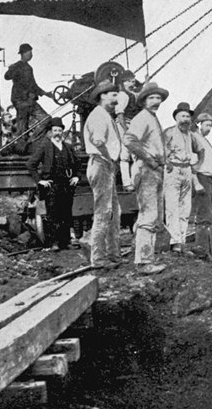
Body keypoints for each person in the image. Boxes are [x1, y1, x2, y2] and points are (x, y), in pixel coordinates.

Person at [123, 82, 168, 275]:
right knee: (148, 215)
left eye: (158, 98)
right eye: (151, 98)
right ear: (143, 100)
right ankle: (143, 262)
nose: (156, 101)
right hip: (147, 169)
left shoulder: (152, 118)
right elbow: (129, 140)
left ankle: (144, 254)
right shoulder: (142, 118)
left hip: (156, 169)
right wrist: (149, 159)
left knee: (153, 215)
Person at [82, 81, 123, 270]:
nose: (116, 99)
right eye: (113, 95)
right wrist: (109, 159)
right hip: (101, 163)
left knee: (114, 212)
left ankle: (114, 254)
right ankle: (98, 258)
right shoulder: (99, 116)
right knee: (104, 212)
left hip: (105, 164)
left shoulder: (106, 116)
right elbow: (98, 141)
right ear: (102, 96)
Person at [26, 117, 80, 251]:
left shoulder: (68, 147)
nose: (57, 133)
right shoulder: (45, 146)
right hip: (52, 186)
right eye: (55, 130)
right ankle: (53, 243)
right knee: (52, 215)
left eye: (59, 130)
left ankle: (65, 241)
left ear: (62, 131)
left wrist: (76, 177)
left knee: (66, 214)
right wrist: (40, 180)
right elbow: (31, 164)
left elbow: (78, 163)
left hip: (67, 185)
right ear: (50, 131)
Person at [163, 103, 200, 254]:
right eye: (182, 116)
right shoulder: (169, 132)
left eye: (187, 116)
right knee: (172, 207)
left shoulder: (191, 135)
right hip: (173, 169)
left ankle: (182, 241)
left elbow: (200, 150)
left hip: (187, 169)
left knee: (185, 208)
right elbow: (161, 150)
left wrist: (196, 166)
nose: (185, 119)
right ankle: (174, 242)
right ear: (176, 118)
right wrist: (167, 163)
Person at [4, 43, 54, 154]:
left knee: (46, 119)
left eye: (31, 52)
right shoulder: (17, 66)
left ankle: (29, 143)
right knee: (22, 131)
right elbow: (7, 76)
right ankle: (21, 148)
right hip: (21, 102)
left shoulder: (29, 68)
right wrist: (12, 69)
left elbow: (33, 86)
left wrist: (46, 93)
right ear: (23, 53)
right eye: (29, 52)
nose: (31, 54)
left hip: (29, 101)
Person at [193, 113, 212, 261]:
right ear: (199, 124)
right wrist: (197, 182)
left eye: (211, 126)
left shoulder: (205, 141)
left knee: (208, 215)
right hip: (202, 177)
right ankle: (202, 250)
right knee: (204, 215)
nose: (209, 129)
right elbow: (193, 163)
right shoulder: (195, 138)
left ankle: (204, 249)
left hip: (210, 179)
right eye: (207, 125)